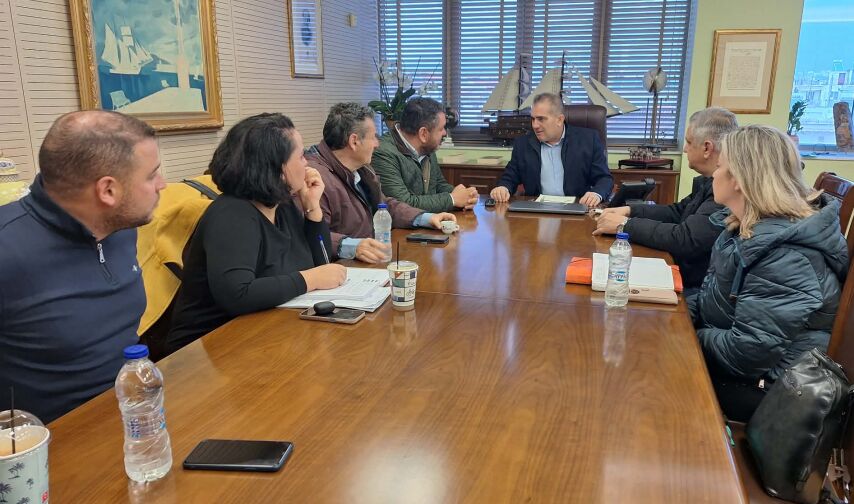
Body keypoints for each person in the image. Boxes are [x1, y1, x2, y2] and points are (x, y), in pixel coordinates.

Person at [0, 110, 166, 422]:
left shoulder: (121, 227)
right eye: (151, 175)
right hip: (52, 438)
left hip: (135, 414)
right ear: (108, 191)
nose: (162, 184)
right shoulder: (7, 249)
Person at [688, 124, 848, 422]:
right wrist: (684, 314)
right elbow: (716, 297)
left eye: (720, 167)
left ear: (739, 180)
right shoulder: (743, 226)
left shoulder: (786, 254)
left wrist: (689, 336)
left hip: (772, 393)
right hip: (746, 369)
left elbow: (747, 355)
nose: (713, 175)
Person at [166, 113, 347, 353]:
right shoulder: (231, 215)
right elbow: (238, 294)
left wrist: (312, 208)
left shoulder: (282, 205)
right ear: (277, 168)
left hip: (266, 332)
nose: (307, 164)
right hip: (209, 348)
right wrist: (310, 279)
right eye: (301, 156)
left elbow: (321, 264)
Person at [594, 107, 738, 290]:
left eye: (688, 142)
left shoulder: (726, 190)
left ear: (707, 148)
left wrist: (624, 225)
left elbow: (686, 239)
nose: (684, 149)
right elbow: (678, 212)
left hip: (695, 287)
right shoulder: (708, 182)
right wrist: (630, 210)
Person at [307, 102, 458, 262]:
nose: (377, 144)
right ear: (354, 141)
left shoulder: (362, 169)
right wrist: (354, 246)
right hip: (342, 268)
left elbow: (385, 206)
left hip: (371, 260)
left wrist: (426, 218)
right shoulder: (315, 178)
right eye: (373, 137)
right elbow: (311, 235)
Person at [489, 92, 612, 207]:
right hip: (536, 211)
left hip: (576, 208)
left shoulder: (588, 140)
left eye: (541, 119)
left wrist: (596, 193)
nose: (535, 125)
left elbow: (604, 179)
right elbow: (510, 176)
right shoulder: (523, 144)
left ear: (559, 120)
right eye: (533, 119)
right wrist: (503, 188)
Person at [372, 97, 479, 213]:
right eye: (441, 129)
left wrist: (465, 196)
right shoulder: (383, 153)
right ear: (423, 134)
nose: (444, 133)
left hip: (430, 221)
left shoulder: (427, 147)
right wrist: (452, 199)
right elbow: (402, 204)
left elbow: (438, 185)